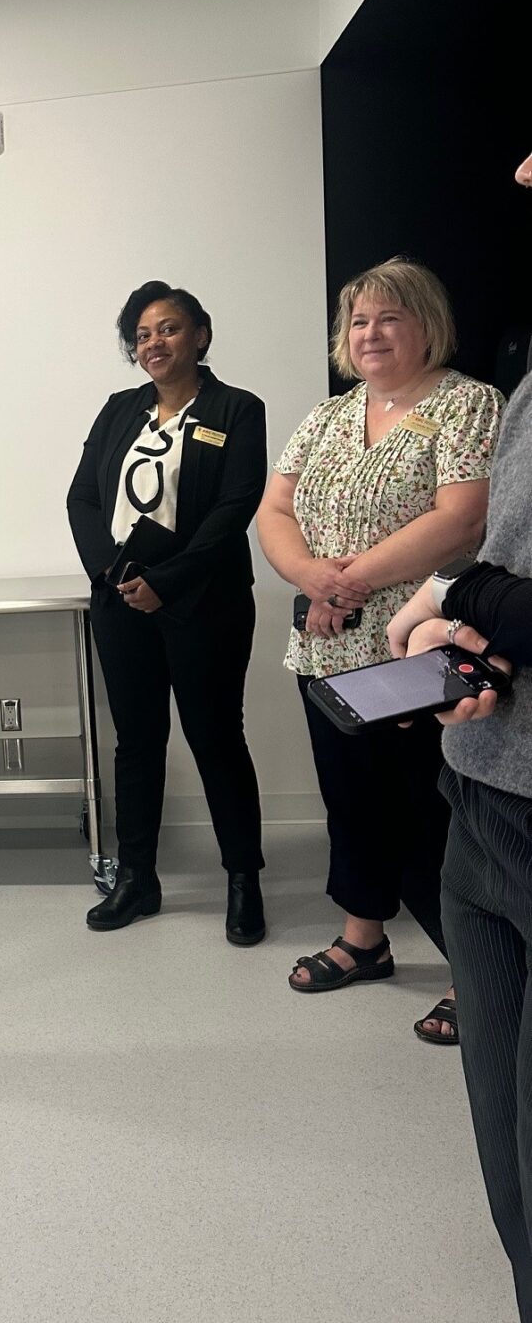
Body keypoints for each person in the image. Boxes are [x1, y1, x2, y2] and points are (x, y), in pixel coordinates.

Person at [257, 258, 502, 1038]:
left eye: (390, 317)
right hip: (326, 648)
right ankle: (365, 937)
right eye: (359, 320)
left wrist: (347, 582)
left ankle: (476, 971)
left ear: (428, 324)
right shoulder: (329, 415)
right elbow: (275, 507)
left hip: (421, 649)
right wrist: (309, 577)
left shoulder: (470, 406)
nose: (370, 333)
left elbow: (463, 519)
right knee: (351, 805)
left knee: (434, 814)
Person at [386, 143, 532, 1323]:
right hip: (482, 807)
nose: (525, 169)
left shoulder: (478, 395)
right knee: (512, 1197)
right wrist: (465, 629)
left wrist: (451, 588)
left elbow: (496, 560)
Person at [67, 281, 268, 942]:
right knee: (137, 744)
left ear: (201, 335)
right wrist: (116, 573)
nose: (155, 342)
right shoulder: (119, 410)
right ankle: (137, 878)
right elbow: (83, 502)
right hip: (121, 600)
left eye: (170, 328)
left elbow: (232, 510)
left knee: (216, 740)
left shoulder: (238, 409)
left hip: (204, 601)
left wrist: (168, 582)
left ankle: (243, 879)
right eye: (144, 333)